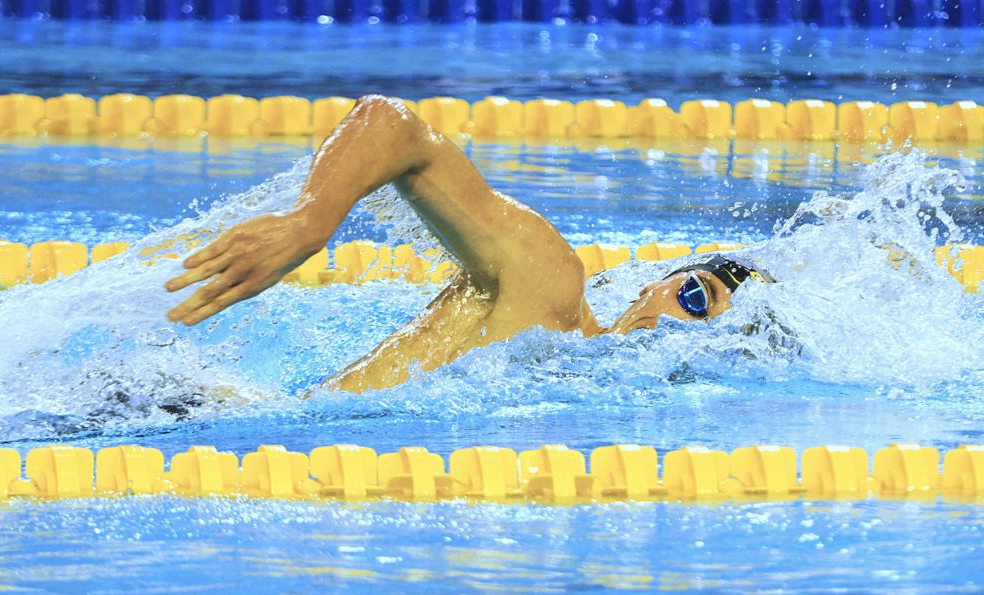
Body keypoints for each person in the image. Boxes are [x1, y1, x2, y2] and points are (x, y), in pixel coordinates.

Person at [165, 95, 770, 393]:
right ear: (654, 285)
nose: (681, 329)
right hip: (180, 414)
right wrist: (310, 222)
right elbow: (391, 124)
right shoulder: (549, 285)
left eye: (712, 327)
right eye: (694, 297)